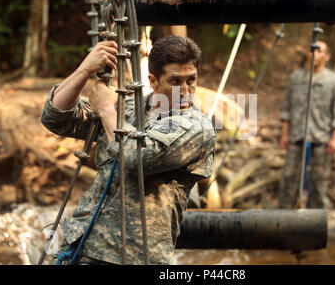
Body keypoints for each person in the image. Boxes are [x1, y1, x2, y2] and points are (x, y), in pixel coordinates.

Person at [40, 36, 217, 264]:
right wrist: (85, 69)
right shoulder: (128, 107)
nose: (185, 90)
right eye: (175, 81)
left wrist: (106, 109)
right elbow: (55, 117)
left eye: (191, 80)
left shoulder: (197, 127)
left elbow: (136, 157)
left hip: (132, 257)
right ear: (153, 81)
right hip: (82, 244)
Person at [278, 41, 335, 209]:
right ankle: (285, 219)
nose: (315, 54)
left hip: (322, 138)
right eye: (312, 50)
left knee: (319, 182)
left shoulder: (333, 80)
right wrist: (285, 134)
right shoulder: (296, 78)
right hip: (297, 136)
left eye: (320, 51)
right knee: (289, 178)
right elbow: (287, 108)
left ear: (327, 56)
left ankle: (315, 221)